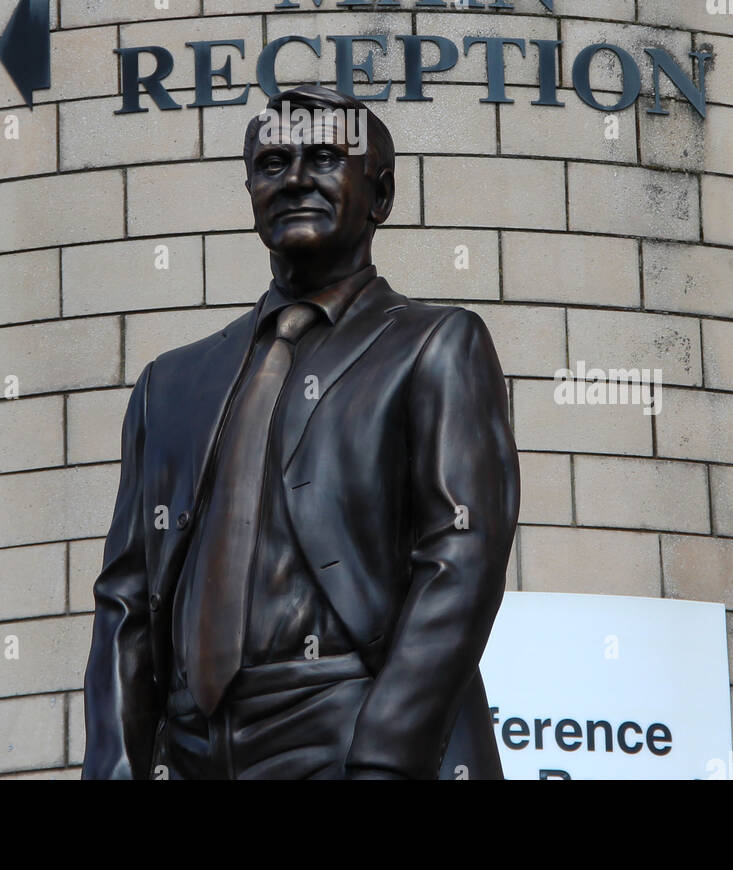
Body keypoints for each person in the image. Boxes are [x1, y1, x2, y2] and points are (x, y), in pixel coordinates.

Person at [82, 83, 520, 779]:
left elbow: (460, 560)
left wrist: (383, 754)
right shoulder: (171, 385)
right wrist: (114, 765)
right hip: (191, 749)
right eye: (271, 162)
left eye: (322, 157)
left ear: (378, 196)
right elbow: (126, 602)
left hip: (343, 728)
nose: (292, 179)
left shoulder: (433, 345)